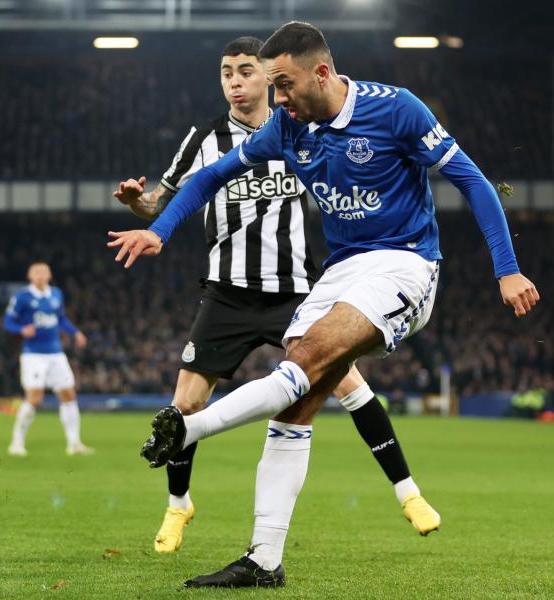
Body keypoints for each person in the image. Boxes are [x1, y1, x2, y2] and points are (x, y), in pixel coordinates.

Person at [108, 21, 539, 588]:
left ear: (321, 72)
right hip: (340, 273)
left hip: (405, 264)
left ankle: (189, 430)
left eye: (283, 85)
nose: (277, 100)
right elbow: (211, 176)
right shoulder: (288, 129)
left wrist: (506, 270)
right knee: (296, 407)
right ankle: (263, 560)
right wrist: (160, 230)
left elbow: (474, 182)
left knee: (304, 360)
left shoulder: (397, 110)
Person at [113, 36, 438, 556]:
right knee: (185, 403)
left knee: (350, 387)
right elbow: (165, 201)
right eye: (226, 73)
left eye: (245, 71)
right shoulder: (205, 138)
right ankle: (178, 506)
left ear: (269, 77)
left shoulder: (301, 129)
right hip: (227, 293)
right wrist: (139, 207)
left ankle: (409, 492)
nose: (235, 82)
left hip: (293, 287)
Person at [3, 262, 93, 456]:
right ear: (30, 275)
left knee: (69, 395)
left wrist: (75, 332)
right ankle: (17, 442)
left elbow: (60, 319)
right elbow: (8, 321)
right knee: (35, 398)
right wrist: (21, 330)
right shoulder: (22, 297)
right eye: (37, 272)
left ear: (50, 275)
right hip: (33, 355)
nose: (40, 275)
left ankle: (74, 443)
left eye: (44, 272)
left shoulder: (56, 294)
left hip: (56, 353)